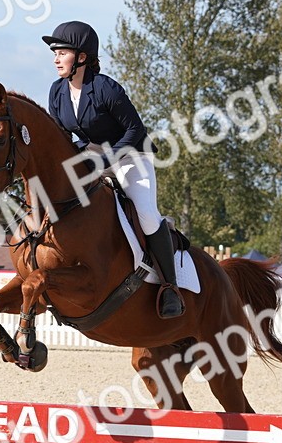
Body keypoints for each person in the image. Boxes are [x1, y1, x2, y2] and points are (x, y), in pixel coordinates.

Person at [42, 20, 183, 319]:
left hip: (131, 155)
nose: (55, 58)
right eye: (54, 53)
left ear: (81, 56)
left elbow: (135, 130)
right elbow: (61, 139)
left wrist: (108, 160)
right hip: (92, 154)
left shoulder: (105, 87)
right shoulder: (57, 92)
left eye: (62, 52)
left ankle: (170, 287)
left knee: (145, 215)